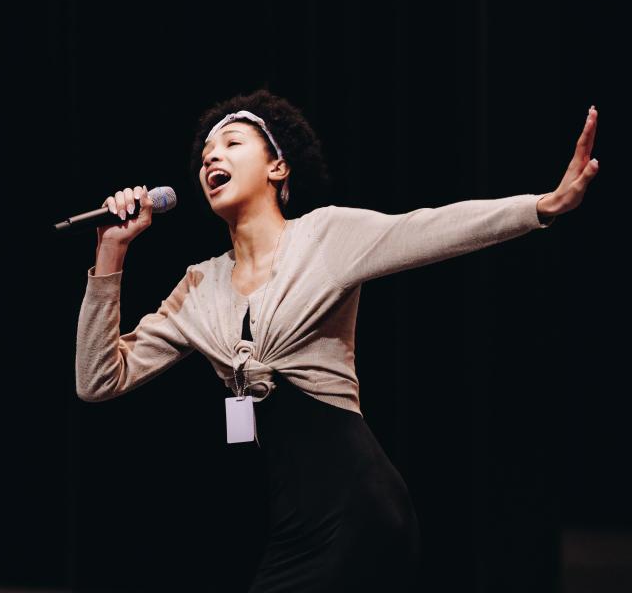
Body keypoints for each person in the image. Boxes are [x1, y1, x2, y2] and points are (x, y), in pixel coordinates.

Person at [75, 89, 599, 592]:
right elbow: (98, 380)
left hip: (358, 509)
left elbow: (430, 228)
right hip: (292, 526)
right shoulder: (198, 286)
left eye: (233, 144)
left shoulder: (325, 236)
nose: (213, 157)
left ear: (277, 167)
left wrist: (541, 207)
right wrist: (111, 254)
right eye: (206, 155)